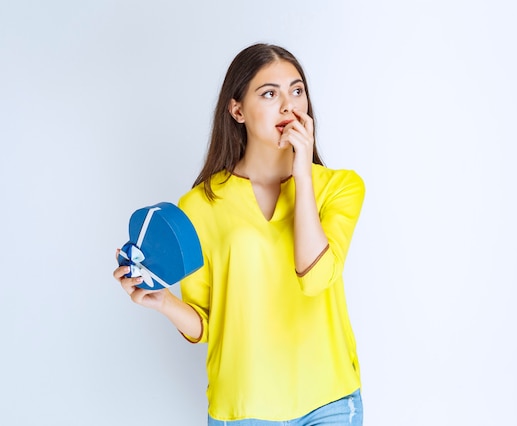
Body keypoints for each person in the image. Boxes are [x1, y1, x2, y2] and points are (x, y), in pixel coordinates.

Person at [113, 43, 366, 425]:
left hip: (329, 401)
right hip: (243, 408)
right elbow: (210, 325)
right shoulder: (200, 205)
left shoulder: (340, 188)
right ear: (237, 110)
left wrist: (302, 174)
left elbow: (315, 279)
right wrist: (162, 302)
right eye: (270, 93)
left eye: (297, 91)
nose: (288, 106)